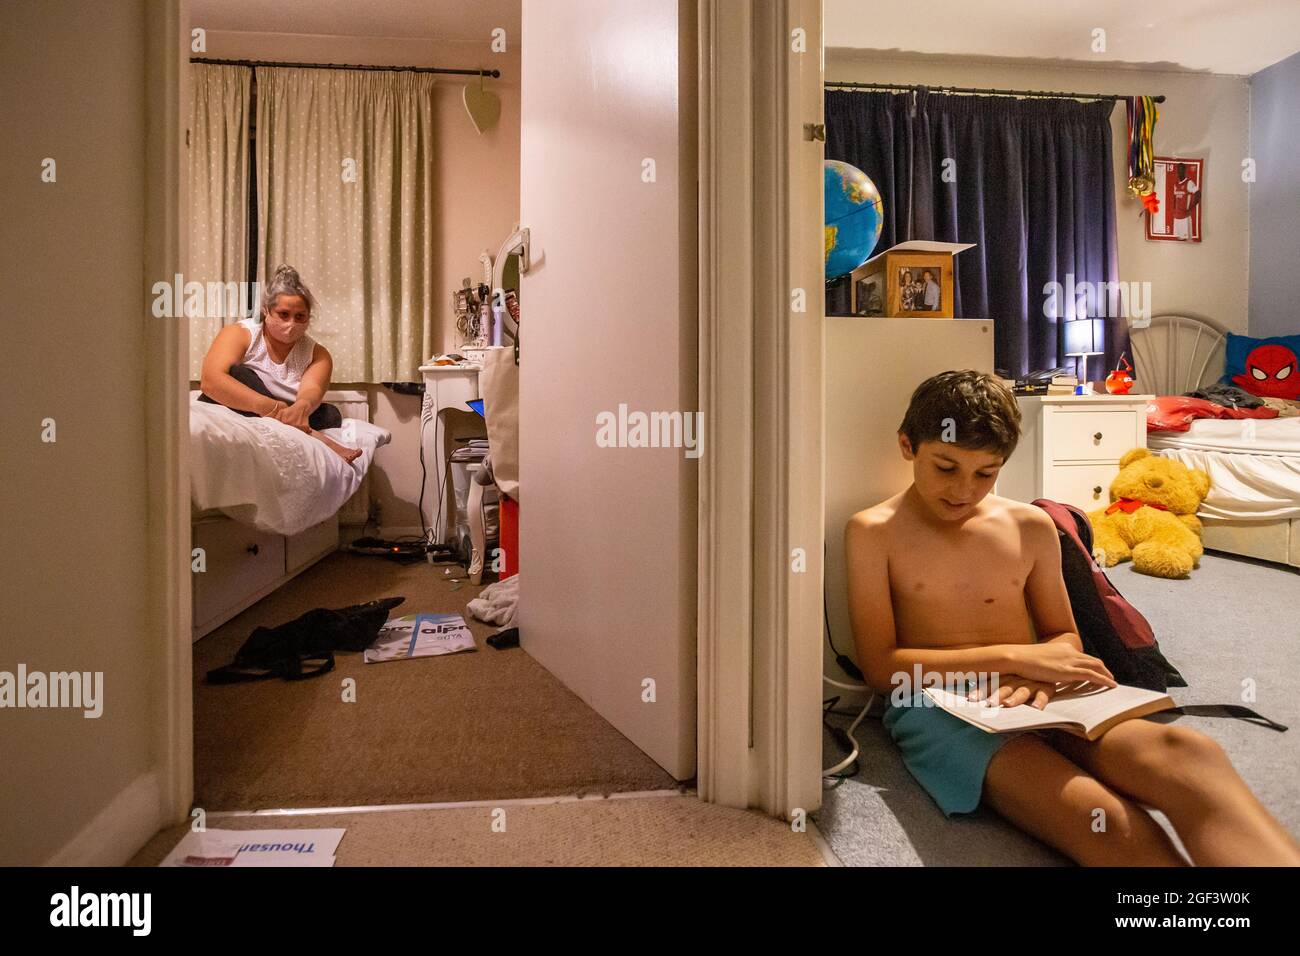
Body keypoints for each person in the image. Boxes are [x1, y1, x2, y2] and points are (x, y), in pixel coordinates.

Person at [844, 370, 1300, 865]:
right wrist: (1020, 659)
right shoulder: (873, 532)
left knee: (1190, 756)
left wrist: (1044, 667)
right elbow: (882, 668)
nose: (964, 490)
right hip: (942, 702)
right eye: (946, 467)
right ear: (908, 446)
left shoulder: (1030, 525)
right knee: (1102, 819)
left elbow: (1064, 636)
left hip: (1048, 686)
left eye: (986, 472)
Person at [198, 265, 361, 463]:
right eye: (284, 314)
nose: (291, 323)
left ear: (309, 318)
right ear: (266, 310)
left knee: (330, 415)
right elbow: (210, 381)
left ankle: (288, 423)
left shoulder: (318, 354)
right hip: (238, 403)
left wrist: (301, 407)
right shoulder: (240, 333)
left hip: (285, 414)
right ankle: (320, 439)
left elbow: (311, 391)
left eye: (299, 316)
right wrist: (272, 407)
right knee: (239, 373)